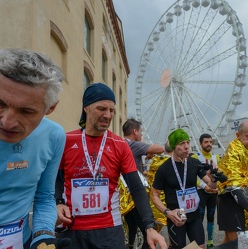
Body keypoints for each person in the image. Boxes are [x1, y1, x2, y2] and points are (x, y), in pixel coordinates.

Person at [55, 83, 167, 249]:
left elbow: (136, 187)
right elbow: (54, 181)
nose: (107, 115)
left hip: (109, 231)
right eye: (101, 109)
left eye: (112, 110)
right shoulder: (66, 140)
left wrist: (149, 226)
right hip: (72, 228)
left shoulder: (120, 145)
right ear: (86, 108)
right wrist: (57, 202)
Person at [0, 48, 69, 249]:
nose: (7, 122)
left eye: (26, 111)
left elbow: (45, 197)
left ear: (51, 108)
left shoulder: (54, 136)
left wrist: (43, 236)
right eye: (0, 103)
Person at [151, 129, 219, 249]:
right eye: (182, 144)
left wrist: (214, 179)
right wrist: (167, 212)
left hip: (194, 215)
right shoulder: (164, 168)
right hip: (176, 217)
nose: (187, 147)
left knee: (199, 247)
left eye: (188, 142)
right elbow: (154, 195)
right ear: (173, 147)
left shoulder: (194, 163)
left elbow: (211, 185)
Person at [122, 118, 165, 249]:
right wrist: (147, 148)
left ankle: (130, 245)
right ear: (134, 131)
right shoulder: (133, 145)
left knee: (131, 225)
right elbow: (160, 149)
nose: (141, 135)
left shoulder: (122, 144)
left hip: (123, 195)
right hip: (133, 194)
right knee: (148, 228)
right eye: (140, 131)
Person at [191, 134, 220, 248]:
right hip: (201, 192)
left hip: (213, 193)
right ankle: (199, 241)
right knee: (200, 218)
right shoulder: (195, 157)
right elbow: (194, 177)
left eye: (210, 142)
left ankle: (210, 241)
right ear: (201, 144)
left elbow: (219, 174)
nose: (209, 144)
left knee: (211, 217)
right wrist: (205, 186)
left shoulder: (216, 157)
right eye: (206, 142)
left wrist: (218, 187)